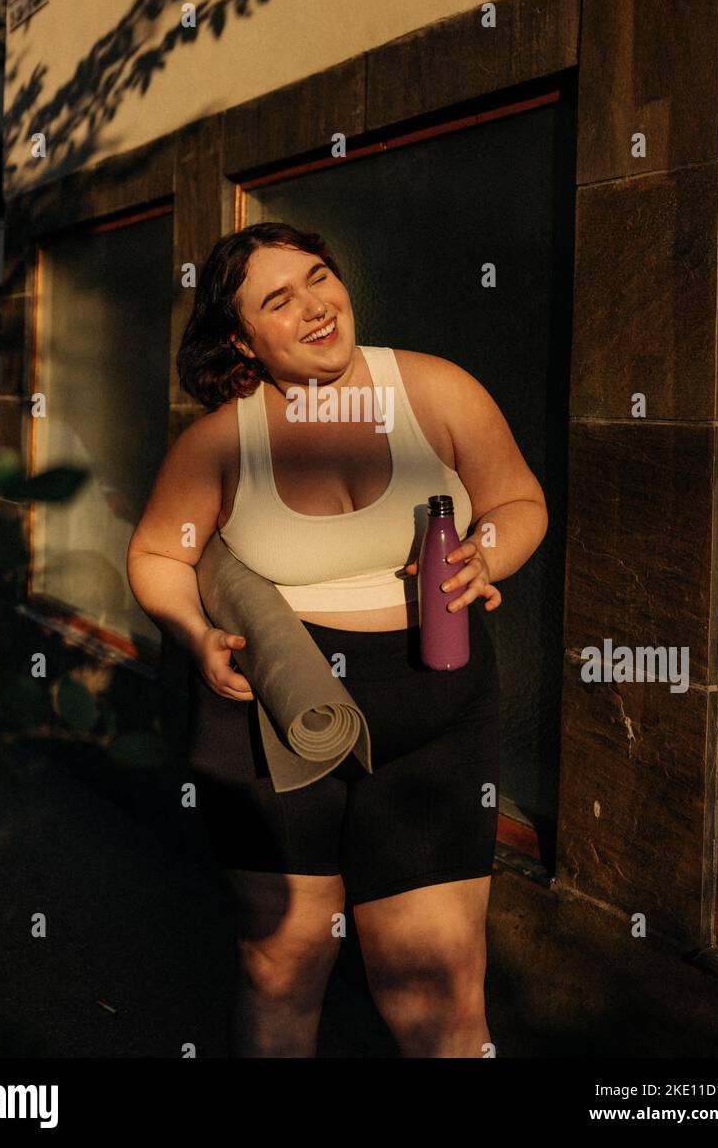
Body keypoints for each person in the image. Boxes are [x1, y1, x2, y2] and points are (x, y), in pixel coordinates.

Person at [127, 222, 548, 1058]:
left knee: (438, 981)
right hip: (272, 713)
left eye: (320, 277)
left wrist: (483, 555)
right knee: (285, 962)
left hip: (436, 702)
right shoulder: (222, 440)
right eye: (279, 300)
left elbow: (517, 501)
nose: (316, 305)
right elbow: (154, 554)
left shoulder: (436, 391)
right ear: (242, 339)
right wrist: (196, 633)